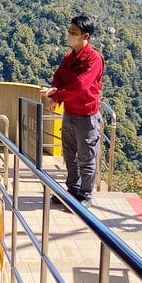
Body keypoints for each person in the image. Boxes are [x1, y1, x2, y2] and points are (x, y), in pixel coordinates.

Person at [44, 14, 104, 207]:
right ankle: (72, 190)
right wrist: (55, 92)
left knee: (86, 156)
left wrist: (56, 96)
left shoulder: (94, 59)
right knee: (69, 154)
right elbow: (59, 76)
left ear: (85, 36)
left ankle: (86, 195)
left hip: (86, 115)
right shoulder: (69, 57)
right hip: (70, 112)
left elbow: (81, 86)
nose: (69, 35)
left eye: (74, 33)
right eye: (69, 31)